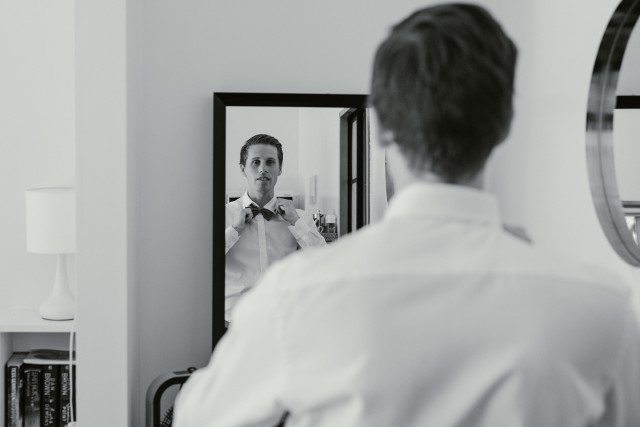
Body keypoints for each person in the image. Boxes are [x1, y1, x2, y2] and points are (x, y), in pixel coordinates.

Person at [175, 4, 640, 426]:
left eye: (270, 162)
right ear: (505, 124)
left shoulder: (295, 298)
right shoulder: (603, 310)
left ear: (381, 128)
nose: (263, 170)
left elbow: (196, 420)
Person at [224, 133, 326, 322]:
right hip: (234, 320)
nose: (263, 169)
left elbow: (324, 260)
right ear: (243, 169)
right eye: (255, 162)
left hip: (285, 319)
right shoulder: (224, 215)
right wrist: (234, 230)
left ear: (279, 169)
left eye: (270, 162)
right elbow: (206, 263)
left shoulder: (299, 217)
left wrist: (295, 222)